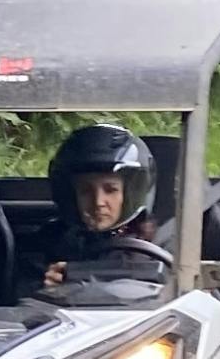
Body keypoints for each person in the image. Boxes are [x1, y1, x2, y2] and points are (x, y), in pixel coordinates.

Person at [28, 123, 168, 291]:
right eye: (86, 191)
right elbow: (19, 299)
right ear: (72, 194)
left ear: (129, 192)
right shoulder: (50, 241)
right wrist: (45, 286)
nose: (98, 201)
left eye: (110, 190)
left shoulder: (156, 244)